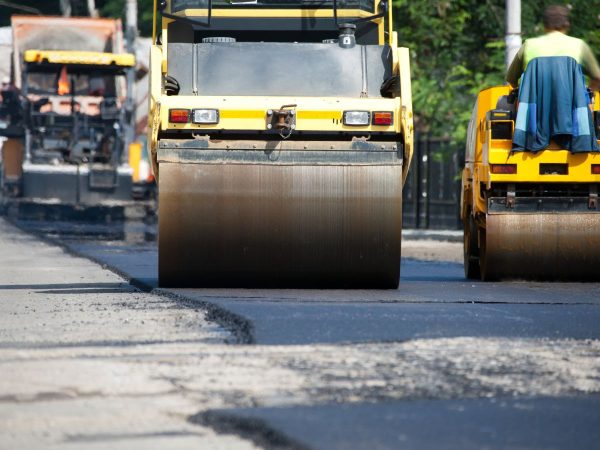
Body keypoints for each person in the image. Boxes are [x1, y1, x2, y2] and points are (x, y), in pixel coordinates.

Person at [506, 5, 600, 90]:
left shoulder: (528, 45)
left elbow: (511, 79)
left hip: (534, 107)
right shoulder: (579, 45)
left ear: (545, 25)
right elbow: (597, 78)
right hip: (571, 106)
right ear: (567, 24)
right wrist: (586, 95)